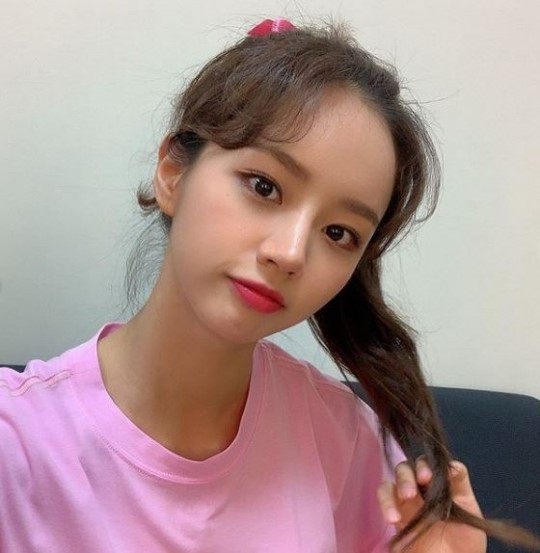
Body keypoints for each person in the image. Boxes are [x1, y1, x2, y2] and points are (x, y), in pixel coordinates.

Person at [0, 18, 537, 553]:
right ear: (172, 173)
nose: (291, 252)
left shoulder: (347, 441)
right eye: (264, 186)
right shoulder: (17, 444)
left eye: (338, 233)